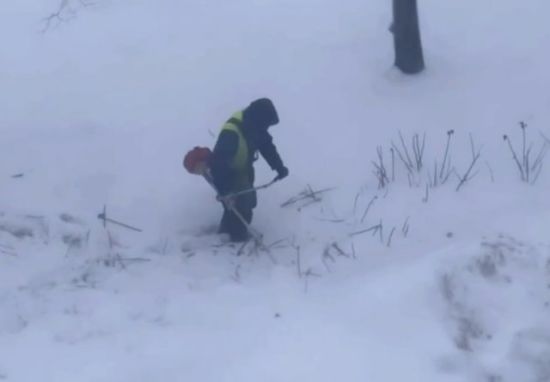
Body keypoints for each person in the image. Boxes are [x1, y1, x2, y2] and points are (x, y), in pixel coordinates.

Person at [210, 98, 289, 242]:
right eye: (266, 124)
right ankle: (236, 238)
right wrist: (225, 191)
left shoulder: (256, 126)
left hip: (242, 169)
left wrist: (279, 167)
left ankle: (227, 234)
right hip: (225, 173)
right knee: (240, 205)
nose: (267, 128)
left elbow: (267, 147)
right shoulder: (232, 132)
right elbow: (218, 164)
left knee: (247, 202)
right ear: (260, 118)